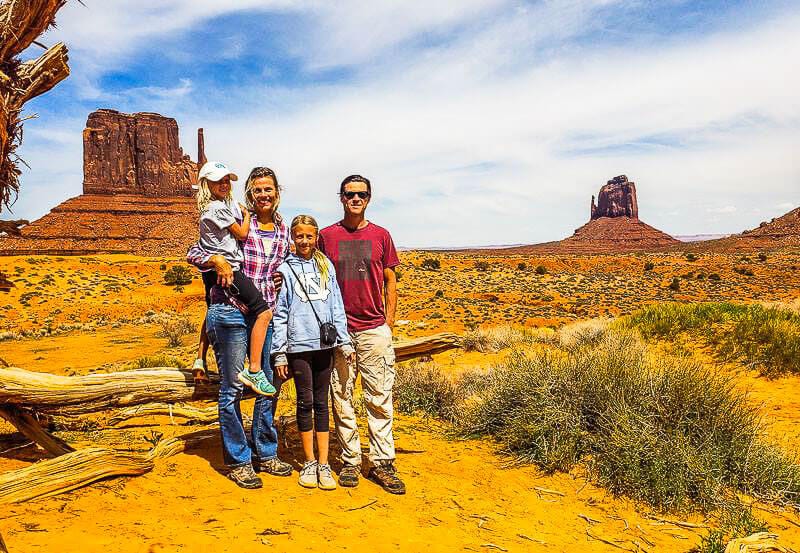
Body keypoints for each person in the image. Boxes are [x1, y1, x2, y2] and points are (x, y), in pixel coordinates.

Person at [187, 166, 293, 489]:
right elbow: (193, 251)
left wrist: (282, 276)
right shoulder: (229, 218)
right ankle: (238, 459)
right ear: (250, 193)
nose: (264, 194)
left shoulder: (283, 229)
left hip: (265, 315)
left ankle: (265, 451)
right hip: (231, 311)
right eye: (258, 189)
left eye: (269, 189)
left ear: (277, 192)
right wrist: (215, 261)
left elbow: (288, 263)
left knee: (266, 385)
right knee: (232, 387)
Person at [319, 174, 405, 495]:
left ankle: (382, 462)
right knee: (341, 396)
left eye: (362, 194)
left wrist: (389, 323)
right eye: (350, 194)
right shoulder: (326, 237)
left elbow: (390, 281)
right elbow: (318, 281)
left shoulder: (382, 235)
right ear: (341, 197)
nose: (356, 199)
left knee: (379, 397)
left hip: (374, 329)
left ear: (369, 198)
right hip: (340, 331)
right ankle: (351, 460)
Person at [272, 215, 354, 490]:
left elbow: (336, 305)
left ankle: (324, 464)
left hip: (324, 346)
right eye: (299, 236)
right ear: (292, 238)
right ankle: (308, 462)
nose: (304, 241)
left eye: (309, 236)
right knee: (304, 402)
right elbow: (280, 314)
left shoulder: (325, 266)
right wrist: (280, 353)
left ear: (316, 237)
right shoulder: (285, 270)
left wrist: (344, 341)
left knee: (322, 403)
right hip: (298, 347)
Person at [194, 161, 275, 396]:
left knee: (211, 308)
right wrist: (216, 260)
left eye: (227, 180)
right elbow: (239, 234)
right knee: (264, 311)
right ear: (206, 183)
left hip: (235, 285)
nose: (224, 184)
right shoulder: (218, 208)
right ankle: (254, 370)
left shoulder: (280, 228)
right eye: (218, 180)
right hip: (231, 279)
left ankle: (200, 359)